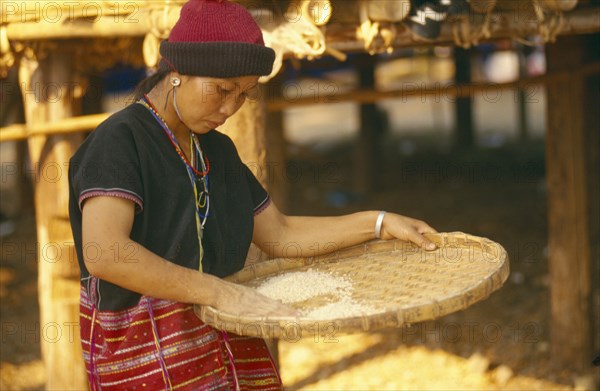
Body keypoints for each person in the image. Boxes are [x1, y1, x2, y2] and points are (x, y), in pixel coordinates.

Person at [68, 0, 437, 389]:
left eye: (243, 94)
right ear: (176, 72)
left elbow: (280, 234)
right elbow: (105, 253)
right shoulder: (120, 141)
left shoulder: (216, 150)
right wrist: (219, 292)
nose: (230, 108)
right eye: (222, 90)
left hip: (222, 345)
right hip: (148, 355)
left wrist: (378, 223)